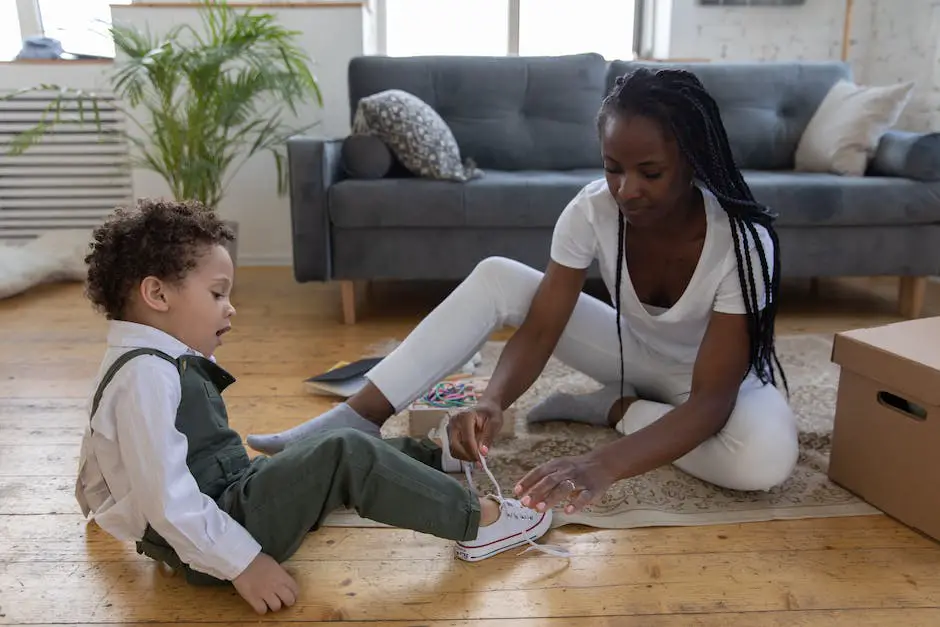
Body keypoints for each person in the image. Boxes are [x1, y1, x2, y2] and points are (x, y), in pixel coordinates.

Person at [247, 67, 799, 516]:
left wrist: (603, 463)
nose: (626, 190)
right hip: (629, 348)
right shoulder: (591, 210)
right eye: (613, 168)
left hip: (709, 380)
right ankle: (359, 415)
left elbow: (710, 403)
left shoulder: (741, 242)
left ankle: (618, 410)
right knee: (497, 275)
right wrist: (491, 402)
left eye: (649, 172)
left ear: (692, 162)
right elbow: (540, 328)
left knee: (763, 462)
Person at [73, 199, 556, 616]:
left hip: (227, 502)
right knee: (345, 451)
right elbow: (166, 499)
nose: (230, 307)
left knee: (325, 450)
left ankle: (440, 461)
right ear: (156, 294)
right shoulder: (146, 374)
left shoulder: (144, 361)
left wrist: (94, 505)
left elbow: (101, 449)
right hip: (222, 534)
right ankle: (479, 523)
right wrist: (243, 564)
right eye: (217, 293)